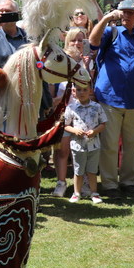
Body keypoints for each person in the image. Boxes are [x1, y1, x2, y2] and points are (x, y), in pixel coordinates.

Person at [89, 0, 134, 199]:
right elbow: (92, 42)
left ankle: (128, 182)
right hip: (109, 97)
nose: (127, 16)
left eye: (131, 12)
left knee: (133, 143)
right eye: (123, 12)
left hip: (133, 99)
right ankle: (109, 185)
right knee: (110, 144)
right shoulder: (111, 32)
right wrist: (106, 19)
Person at [52, 28, 94, 196]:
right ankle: (61, 182)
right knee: (62, 150)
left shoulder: (88, 63)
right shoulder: (58, 63)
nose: (77, 44)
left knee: (83, 151)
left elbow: (90, 87)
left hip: (83, 114)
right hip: (64, 113)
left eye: (80, 40)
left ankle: (83, 182)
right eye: (73, 40)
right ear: (67, 42)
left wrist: (85, 65)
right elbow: (53, 89)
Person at [63, 83, 107, 204]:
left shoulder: (96, 107)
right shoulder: (71, 107)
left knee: (92, 171)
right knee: (78, 171)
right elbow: (65, 125)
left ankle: (94, 193)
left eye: (84, 90)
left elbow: (103, 124)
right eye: (78, 90)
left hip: (94, 145)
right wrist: (74, 130)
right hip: (77, 146)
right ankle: (76, 193)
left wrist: (94, 131)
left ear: (90, 91)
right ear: (73, 91)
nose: (81, 93)